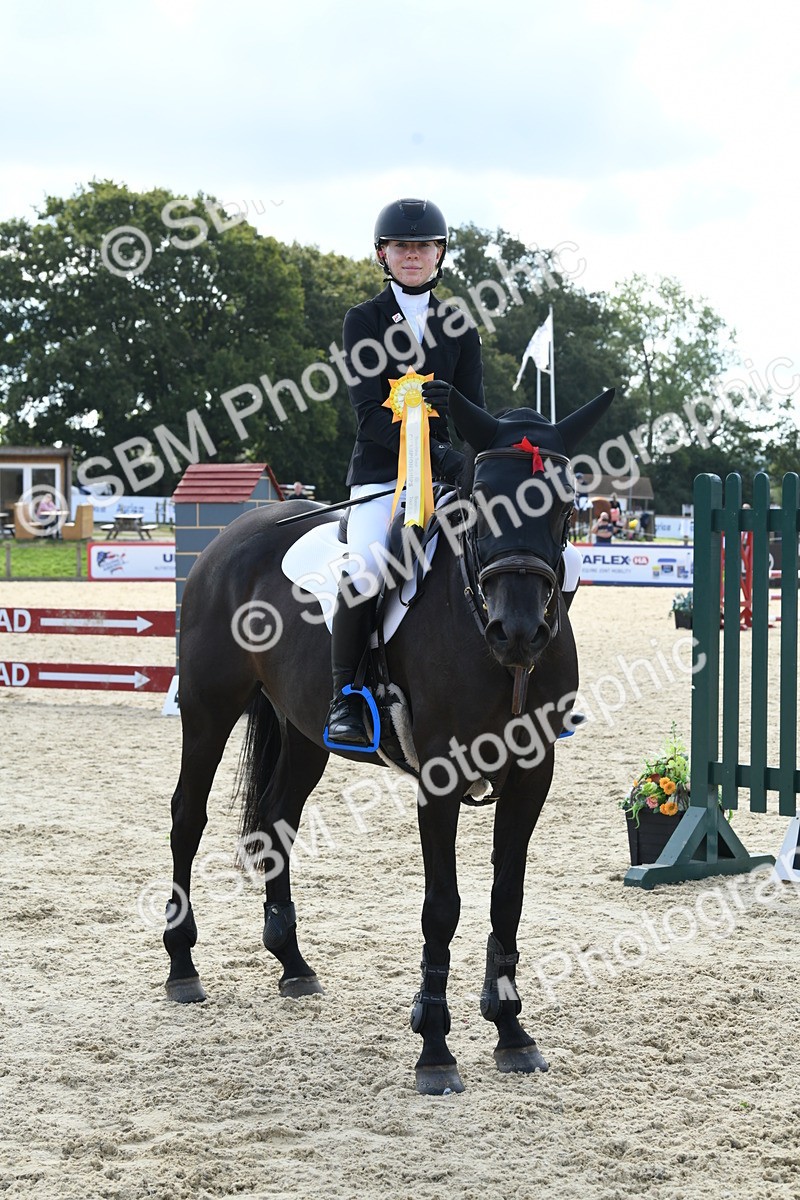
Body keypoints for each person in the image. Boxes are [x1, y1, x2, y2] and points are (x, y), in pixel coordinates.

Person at [324, 198, 485, 748]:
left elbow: (474, 420)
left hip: (442, 483)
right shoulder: (363, 320)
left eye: (423, 247)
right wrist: (443, 457)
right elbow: (369, 418)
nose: (412, 255)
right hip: (378, 480)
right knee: (370, 567)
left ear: (439, 254)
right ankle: (344, 697)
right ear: (382, 254)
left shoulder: (459, 324)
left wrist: (457, 408)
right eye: (402, 247)